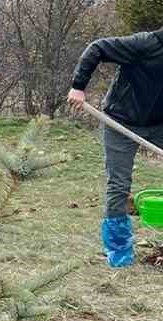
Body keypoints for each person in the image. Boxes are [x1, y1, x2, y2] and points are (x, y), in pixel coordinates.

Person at [67, 24, 163, 268]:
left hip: (159, 123)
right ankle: (119, 250)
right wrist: (78, 86)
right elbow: (96, 48)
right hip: (120, 119)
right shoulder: (145, 44)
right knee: (119, 183)